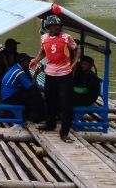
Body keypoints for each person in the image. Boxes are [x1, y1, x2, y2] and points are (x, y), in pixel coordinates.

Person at [30, 15, 80, 143]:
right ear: (49, 27)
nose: (58, 28)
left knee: (65, 104)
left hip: (64, 75)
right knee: (50, 100)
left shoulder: (66, 37)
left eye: (59, 26)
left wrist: (74, 64)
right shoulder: (44, 38)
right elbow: (43, 52)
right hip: (50, 75)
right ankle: (50, 124)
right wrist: (35, 60)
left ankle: (64, 133)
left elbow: (77, 49)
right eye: (55, 26)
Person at [0, 54, 45, 122]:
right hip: (9, 98)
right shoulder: (19, 72)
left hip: (7, 96)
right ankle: (41, 115)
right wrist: (36, 73)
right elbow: (31, 86)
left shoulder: (15, 68)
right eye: (28, 61)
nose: (29, 63)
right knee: (34, 92)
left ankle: (35, 113)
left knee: (32, 92)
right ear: (23, 62)